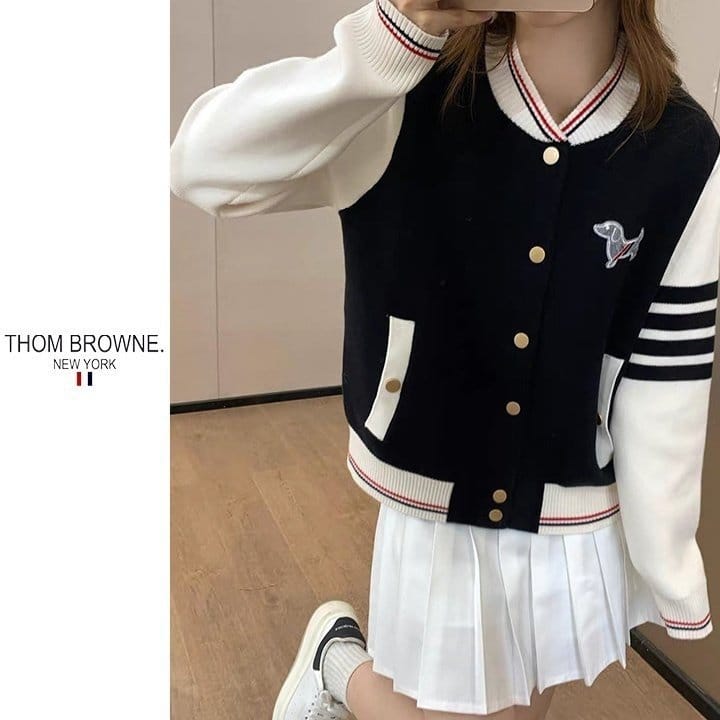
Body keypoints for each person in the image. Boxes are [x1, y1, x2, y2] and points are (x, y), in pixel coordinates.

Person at [170, 0, 720, 718]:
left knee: (518, 708)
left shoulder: (681, 147)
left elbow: (666, 373)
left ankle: (337, 662)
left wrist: (669, 564)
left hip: (569, 506)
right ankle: (339, 664)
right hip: (439, 494)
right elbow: (202, 168)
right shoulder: (407, 90)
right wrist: (396, 34)